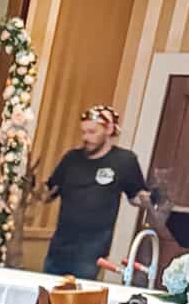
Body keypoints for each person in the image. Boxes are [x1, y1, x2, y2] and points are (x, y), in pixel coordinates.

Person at [43, 105, 148, 280]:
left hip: (92, 249)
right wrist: (34, 191)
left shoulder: (124, 160)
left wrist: (151, 200)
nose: (86, 137)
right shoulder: (71, 158)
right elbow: (48, 193)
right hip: (59, 245)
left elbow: (136, 196)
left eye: (92, 132)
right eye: (83, 132)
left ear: (109, 129)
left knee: (80, 293)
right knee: (48, 290)